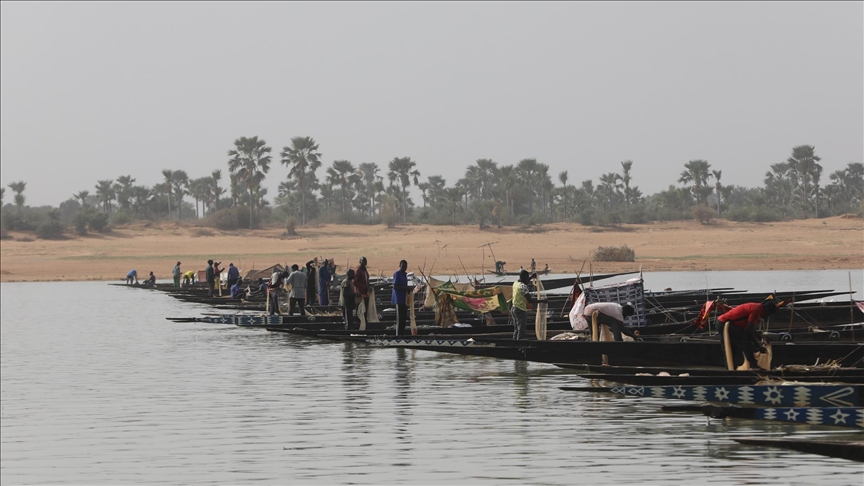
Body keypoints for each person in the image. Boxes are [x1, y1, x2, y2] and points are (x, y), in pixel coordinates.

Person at [717, 300, 776, 370]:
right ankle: (753, 365)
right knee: (745, 342)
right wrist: (758, 346)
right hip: (725, 324)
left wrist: (761, 338)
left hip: (722, 323)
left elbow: (751, 328)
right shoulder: (757, 310)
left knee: (732, 348)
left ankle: (730, 369)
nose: (767, 317)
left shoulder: (757, 307)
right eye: (768, 315)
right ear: (767, 310)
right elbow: (749, 330)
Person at [511, 270, 546, 340]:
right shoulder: (523, 286)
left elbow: (524, 282)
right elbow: (530, 300)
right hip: (520, 310)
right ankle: (519, 345)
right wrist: (542, 301)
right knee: (521, 330)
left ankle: (514, 342)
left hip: (513, 308)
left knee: (516, 329)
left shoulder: (516, 283)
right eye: (527, 278)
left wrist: (531, 277)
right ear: (524, 278)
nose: (528, 280)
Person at [392, 259, 413, 336]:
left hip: (404, 299)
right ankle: (398, 335)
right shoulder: (397, 274)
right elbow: (395, 286)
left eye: (406, 266)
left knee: (404, 318)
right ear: (400, 266)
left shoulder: (405, 275)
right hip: (399, 299)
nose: (404, 267)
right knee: (400, 319)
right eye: (403, 266)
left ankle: (402, 334)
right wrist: (406, 288)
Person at [353, 256, 371, 324]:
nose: (364, 263)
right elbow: (354, 282)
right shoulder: (358, 270)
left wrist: (369, 286)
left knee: (365, 309)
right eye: (363, 261)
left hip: (365, 293)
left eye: (365, 261)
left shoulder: (364, 270)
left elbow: (366, 280)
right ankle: (359, 323)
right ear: (360, 262)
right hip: (360, 293)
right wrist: (363, 287)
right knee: (360, 309)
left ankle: (364, 322)